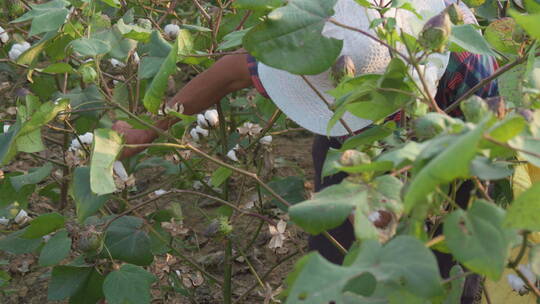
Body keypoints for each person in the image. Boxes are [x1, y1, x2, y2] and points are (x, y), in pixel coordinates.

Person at [113, 0, 498, 302]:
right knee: (338, 265)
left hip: (452, 142)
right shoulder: (312, 33)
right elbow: (230, 72)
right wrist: (149, 130)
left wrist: (402, 194)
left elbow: (488, 148)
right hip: (350, 136)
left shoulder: (466, 62)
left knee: (441, 269)